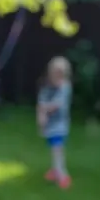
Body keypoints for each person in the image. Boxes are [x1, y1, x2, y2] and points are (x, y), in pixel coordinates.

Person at [37, 57, 73, 189]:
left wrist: (44, 109)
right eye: (55, 73)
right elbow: (40, 104)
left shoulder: (65, 87)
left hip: (60, 125)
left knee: (57, 150)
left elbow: (56, 105)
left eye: (61, 74)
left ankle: (62, 174)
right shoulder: (46, 88)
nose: (58, 77)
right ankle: (54, 170)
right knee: (53, 149)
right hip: (50, 126)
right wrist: (41, 119)